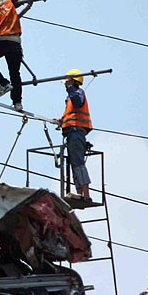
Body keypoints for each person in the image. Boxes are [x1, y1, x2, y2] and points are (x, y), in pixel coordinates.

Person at [59, 69, 92, 200]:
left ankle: (86, 194)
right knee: (74, 163)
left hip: (76, 132)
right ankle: (80, 194)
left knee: (78, 163)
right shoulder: (71, 97)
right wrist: (61, 121)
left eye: (68, 80)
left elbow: (78, 102)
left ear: (73, 80)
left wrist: (69, 88)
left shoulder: (78, 93)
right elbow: (71, 113)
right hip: (72, 132)